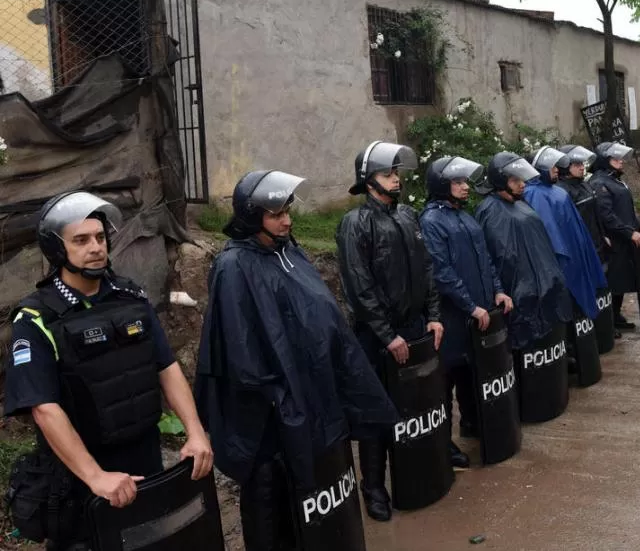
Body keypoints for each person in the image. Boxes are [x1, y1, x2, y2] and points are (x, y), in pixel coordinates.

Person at [195, 170, 398, 549]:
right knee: (270, 500)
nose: (287, 219)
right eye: (276, 213)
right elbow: (242, 352)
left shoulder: (289, 251)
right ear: (253, 215)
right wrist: (283, 401)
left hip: (311, 393)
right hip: (272, 415)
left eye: (287, 210)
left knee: (309, 497)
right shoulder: (235, 267)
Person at [4, 191, 213, 551]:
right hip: (82, 485)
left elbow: (167, 367)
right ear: (56, 249)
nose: (96, 247)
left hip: (145, 465)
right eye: (81, 240)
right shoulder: (36, 319)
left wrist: (195, 432)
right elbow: (44, 409)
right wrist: (95, 477)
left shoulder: (130, 297)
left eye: (100, 237)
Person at [336, 141, 445, 523]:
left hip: (415, 328)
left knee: (415, 403)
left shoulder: (408, 217)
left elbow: (426, 269)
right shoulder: (355, 224)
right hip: (377, 338)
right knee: (375, 413)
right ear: (369, 183)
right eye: (387, 174)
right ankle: (373, 487)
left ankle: (418, 470)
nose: (395, 179)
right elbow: (358, 287)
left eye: (397, 173)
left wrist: (433, 315)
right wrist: (386, 335)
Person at [418, 157, 514, 452]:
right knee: (448, 375)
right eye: (457, 183)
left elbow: (485, 259)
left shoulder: (466, 216)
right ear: (441, 185)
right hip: (454, 314)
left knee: (471, 370)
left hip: (479, 310)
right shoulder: (432, 221)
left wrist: (498, 290)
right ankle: (443, 444)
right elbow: (442, 272)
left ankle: (472, 423)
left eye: (464, 182)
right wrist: (471, 306)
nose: (464, 187)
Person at [474, 152, 571, 352]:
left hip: (541, 283)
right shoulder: (492, 211)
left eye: (522, 179)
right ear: (501, 181)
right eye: (515, 180)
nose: (522, 184)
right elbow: (503, 257)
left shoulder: (519, 203)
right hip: (522, 292)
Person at [523, 146, 607, 322]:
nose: (556, 169)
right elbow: (549, 232)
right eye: (551, 166)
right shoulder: (534, 193)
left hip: (576, 251)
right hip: (564, 259)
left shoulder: (556, 191)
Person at [589, 142, 640, 332]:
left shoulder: (615, 180)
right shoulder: (599, 182)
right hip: (612, 241)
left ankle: (616, 316)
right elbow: (606, 215)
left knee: (621, 280)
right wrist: (628, 232)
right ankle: (608, 321)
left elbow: (627, 211)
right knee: (612, 283)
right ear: (604, 160)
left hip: (623, 240)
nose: (621, 162)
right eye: (615, 159)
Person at [555, 144, 608, 264]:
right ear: (565, 167)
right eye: (577, 164)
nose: (582, 167)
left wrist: (603, 236)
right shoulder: (562, 191)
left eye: (582, 164)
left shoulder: (583, 184)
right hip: (581, 248)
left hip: (597, 244)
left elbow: (596, 214)